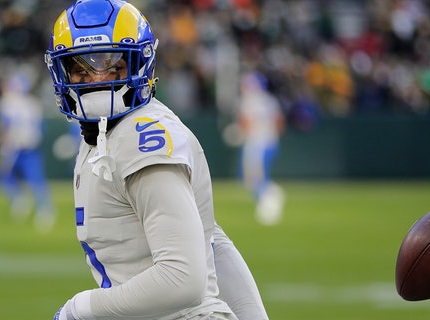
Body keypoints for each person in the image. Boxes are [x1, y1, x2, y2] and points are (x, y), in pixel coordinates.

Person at [45, 1, 268, 319]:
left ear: (141, 63)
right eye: (80, 69)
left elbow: (182, 279)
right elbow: (211, 242)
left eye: (112, 66)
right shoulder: (100, 133)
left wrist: (79, 309)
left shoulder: (141, 136)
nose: (96, 81)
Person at [0, 71, 56, 233]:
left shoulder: (6, 103)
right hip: (30, 146)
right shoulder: (33, 104)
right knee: (35, 180)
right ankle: (42, 210)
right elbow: (41, 128)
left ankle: (22, 202)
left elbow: (4, 129)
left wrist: (3, 146)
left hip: (14, 147)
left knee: (4, 175)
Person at [237, 72, 285, 226]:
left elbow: (246, 123)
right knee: (253, 177)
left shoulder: (249, 101)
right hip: (269, 142)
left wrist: (239, 134)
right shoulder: (269, 100)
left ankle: (271, 197)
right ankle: (269, 196)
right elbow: (279, 121)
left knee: (252, 178)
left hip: (256, 143)